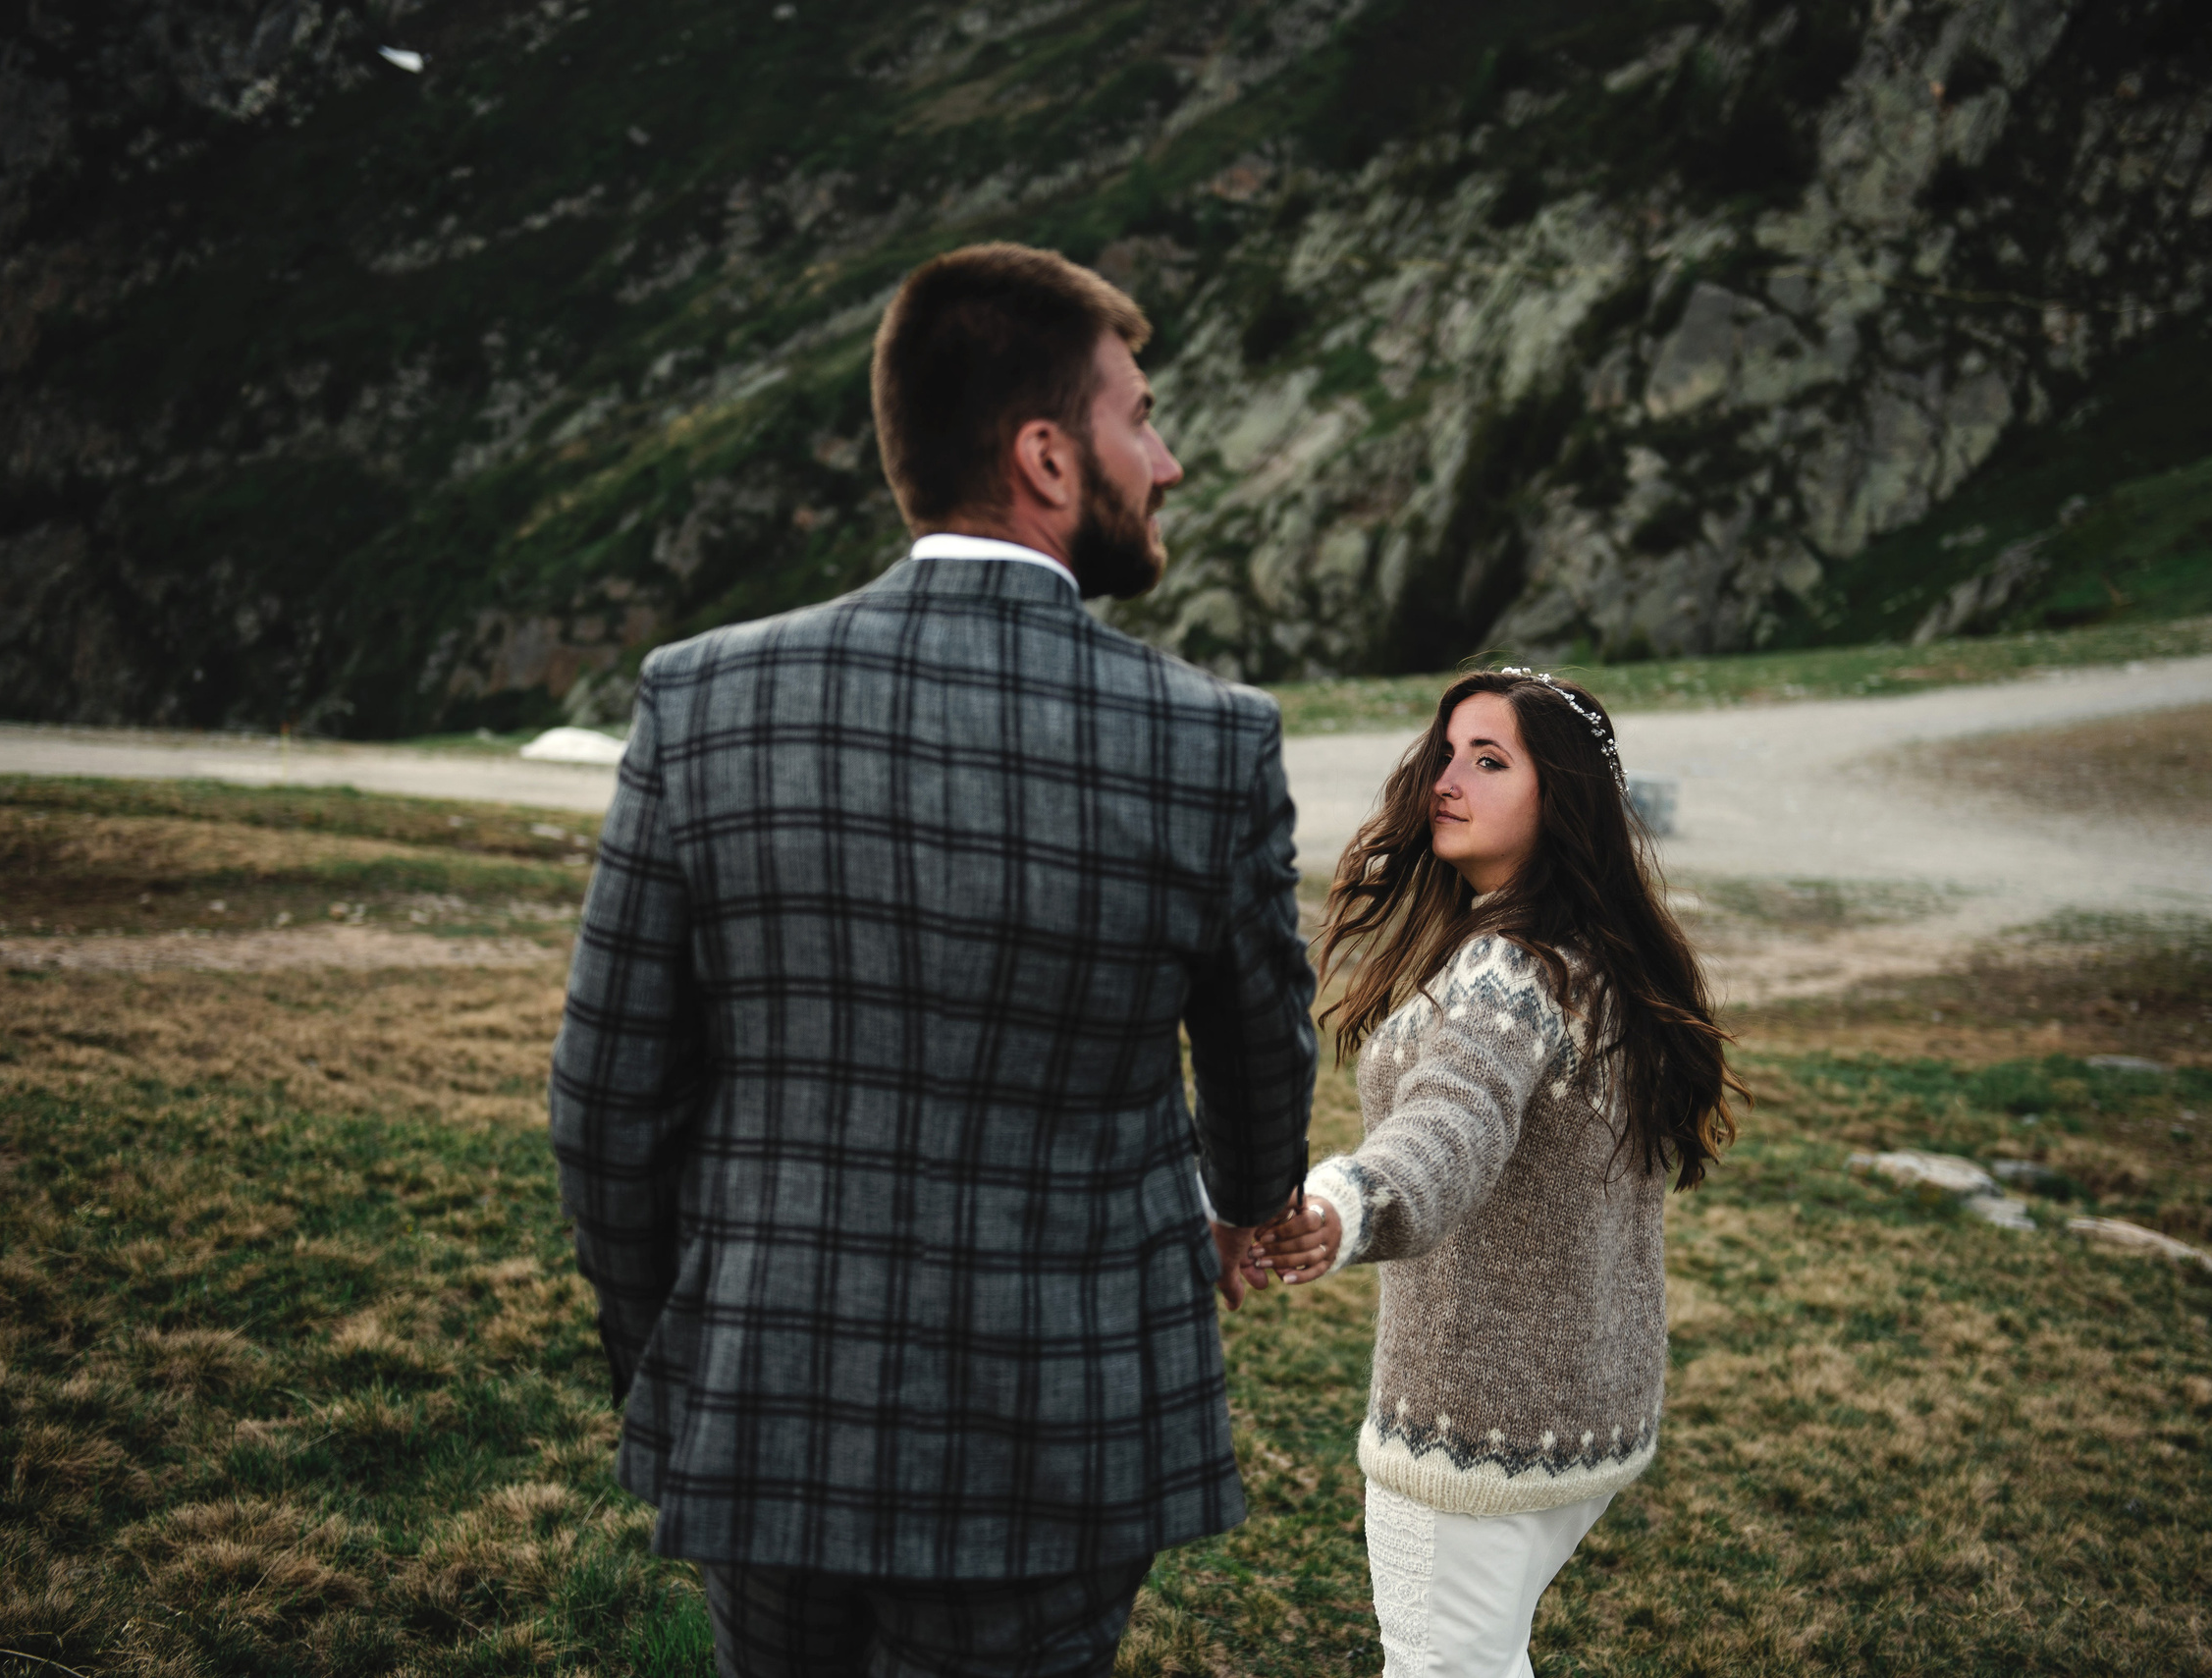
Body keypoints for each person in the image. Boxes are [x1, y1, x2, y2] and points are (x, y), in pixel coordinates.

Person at [550, 243, 1318, 1678]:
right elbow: (1264, 1057)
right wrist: (1246, 1198)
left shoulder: (704, 700)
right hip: (1063, 1440)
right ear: (1044, 454)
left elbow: (605, 1106)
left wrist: (694, 1356)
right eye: (1139, 417)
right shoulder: (1208, 739)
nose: (1169, 459)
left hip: (771, 1415)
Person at [1248, 668, 1744, 1678]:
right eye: (1445, 752)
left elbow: (1448, 1127)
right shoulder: (1591, 956)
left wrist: (1345, 1201)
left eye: (1489, 759)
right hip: (1583, 1416)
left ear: (1556, 796)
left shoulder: (1507, 971)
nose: (1447, 777)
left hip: (1474, 1428)